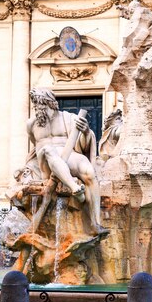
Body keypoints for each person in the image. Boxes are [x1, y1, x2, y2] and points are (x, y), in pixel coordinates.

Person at [27, 88, 102, 234]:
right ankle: (74, 187)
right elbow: (35, 147)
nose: (39, 109)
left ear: (52, 104)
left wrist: (86, 131)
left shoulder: (69, 118)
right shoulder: (31, 124)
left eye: (43, 105)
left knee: (90, 173)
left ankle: (95, 223)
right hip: (46, 161)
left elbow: (85, 143)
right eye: (36, 106)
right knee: (48, 149)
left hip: (68, 154)